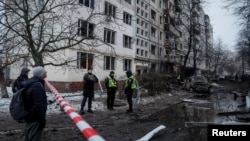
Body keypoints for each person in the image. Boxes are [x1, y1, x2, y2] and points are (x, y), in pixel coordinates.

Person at [21, 66, 47, 141]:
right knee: (34, 137)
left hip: (29, 115)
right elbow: (38, 104)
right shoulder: (37, 85)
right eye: (44, 73)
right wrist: (42, 119)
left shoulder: (31, 83)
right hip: (35, 118)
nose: (46, 75)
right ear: (40, 74)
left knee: (28, 137)